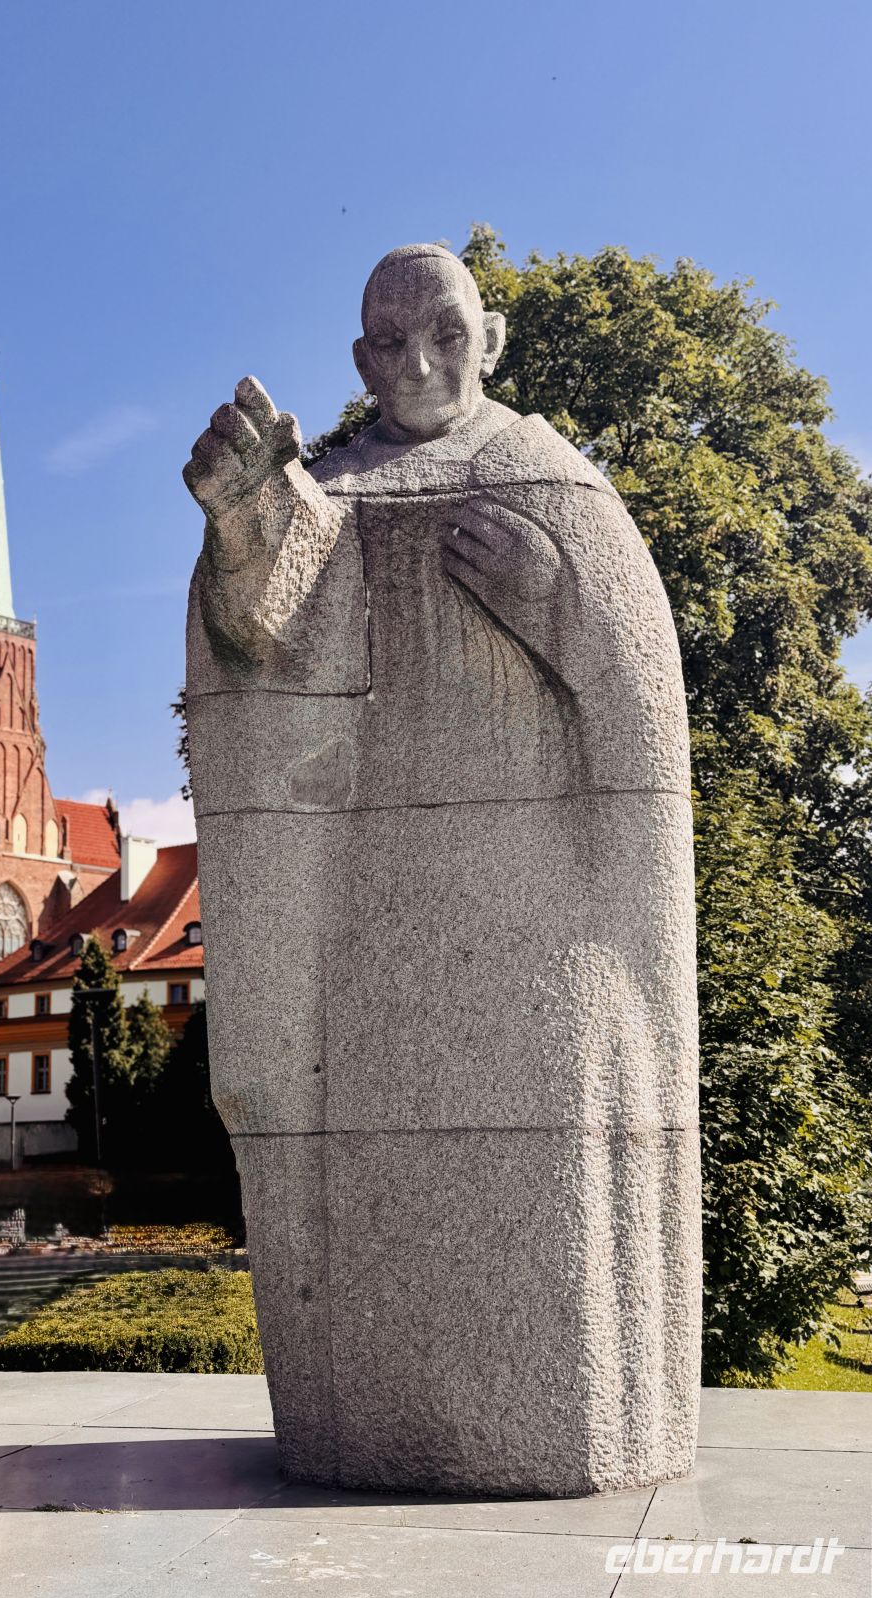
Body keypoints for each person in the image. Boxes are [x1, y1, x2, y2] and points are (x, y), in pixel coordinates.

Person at [183, 245, 701, 1496]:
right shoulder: (330, 491)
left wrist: (560, 606)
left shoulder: (553, 483)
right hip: (366, 932)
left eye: (445, 335)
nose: (416, 363)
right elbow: (259, 659)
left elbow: (646, 720)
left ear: (493, 337)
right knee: (384, 1207)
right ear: (358, 357)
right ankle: (373, 1417)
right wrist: (245, 527)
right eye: (387, 342)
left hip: (545, 931)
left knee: (543, 1218)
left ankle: (552, 1424)